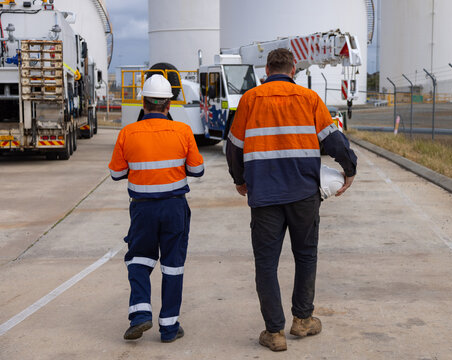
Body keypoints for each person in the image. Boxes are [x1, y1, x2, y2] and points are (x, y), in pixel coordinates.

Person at [226, 48, 357, 352]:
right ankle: (302, 320)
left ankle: (274, 332)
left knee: (267, 263)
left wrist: (240, 180)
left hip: (265, 195)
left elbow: (234, 146)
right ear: (294, 69)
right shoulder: (309, 99)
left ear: (267, 70)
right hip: (303, 193)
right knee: (306, 255)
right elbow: (332, 138)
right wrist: (349, 167)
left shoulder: (249, 99)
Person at [108, 74, 204, 343]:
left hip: (142, 210)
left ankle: (140, 315)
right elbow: (197, 170)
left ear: (143, 103)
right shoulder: (183, 131)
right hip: (175, 209)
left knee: (138, 259)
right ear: (168, 105)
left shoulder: (128, 132)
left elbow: (117, 174)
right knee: (173, 266)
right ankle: (169, 328)